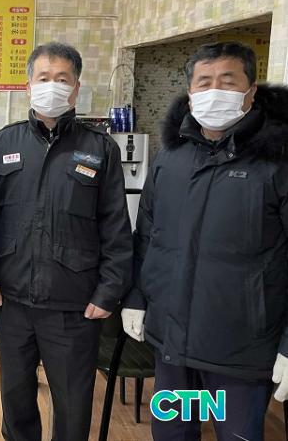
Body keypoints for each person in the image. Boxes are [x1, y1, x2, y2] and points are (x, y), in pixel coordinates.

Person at [122, 41, 288, 440]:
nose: (215, 91)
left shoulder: (277, 161)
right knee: (173, 434)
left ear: (250, 91)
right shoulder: (172, 157)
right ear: (190, 92)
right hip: (174, 346)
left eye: (227, 81)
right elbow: (147, 234)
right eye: (204, 82)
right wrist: (136, 297)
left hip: (240, 353)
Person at [0, 42, 133, 441]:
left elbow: (116, 225)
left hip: (74, 304)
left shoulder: (99, 148)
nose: (52, 86)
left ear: (76, 88)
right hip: (13, 300)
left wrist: (109, 292)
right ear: (28, 86)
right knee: (15, 398)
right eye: (43, 78)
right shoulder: (4, 143)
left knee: (72, 404)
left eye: (62, 79)